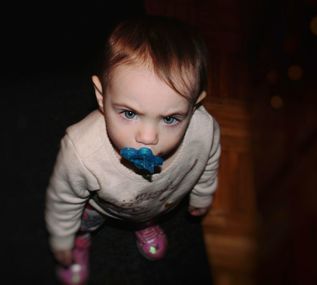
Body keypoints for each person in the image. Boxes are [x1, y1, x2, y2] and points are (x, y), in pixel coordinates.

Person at [45, 15, 221, 285]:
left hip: (158, 201)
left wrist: (202, 196)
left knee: (149, 209)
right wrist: (62, 237)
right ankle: (80, 242)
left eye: (170, 118)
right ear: (102, 97)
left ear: (194, 107)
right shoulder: (81, 153)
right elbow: (63, 200)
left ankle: (145, 224)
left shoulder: (204, 131)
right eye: (129, 113)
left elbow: (209, 165)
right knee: (84, 222)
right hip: (100, 208)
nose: (148, 138)